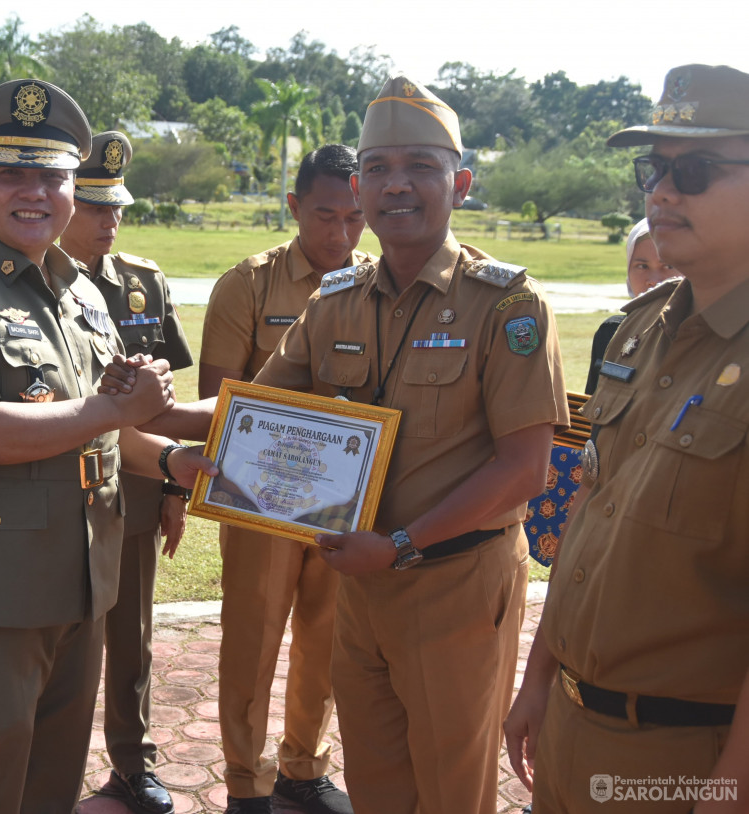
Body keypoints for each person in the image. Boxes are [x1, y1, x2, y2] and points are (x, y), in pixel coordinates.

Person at [124, 77, 569, 814]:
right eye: (379, 169)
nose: (397, 185)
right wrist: (155, 410)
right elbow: (251, 410)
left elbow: (523, 469)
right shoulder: (337, 300)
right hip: (363, 588)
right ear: (358, 187)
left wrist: (399, 544)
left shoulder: (510, 308)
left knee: (452, 790)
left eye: (420, 167)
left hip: (453, 583)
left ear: (459, 183)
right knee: (377, 785)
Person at [0, 79, 216, 814]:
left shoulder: (82, 294)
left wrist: (177, 455)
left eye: (53, 176)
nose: (34, 192)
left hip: (82, 579)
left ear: (73, 187)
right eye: (12, 173)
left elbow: (106, 426)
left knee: (52, 781)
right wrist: (110, 406)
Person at [505, 63, 749, 814]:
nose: (663, 192)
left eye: (696, 169)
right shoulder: (641, 327)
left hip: (686, 759)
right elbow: (589, 515)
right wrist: (539, 677)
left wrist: (731, 791)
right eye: (655, 168)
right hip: (575, 729)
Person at [198, 144, 371, 814]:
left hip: (343, 504)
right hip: (260, 502)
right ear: (295, 206)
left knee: (327, 640)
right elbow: (219, 398)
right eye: (325, 215)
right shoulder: (248, 284)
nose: (341, 233)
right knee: (252, 638)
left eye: (355, 218)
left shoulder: (379, 287)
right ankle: (246, 779)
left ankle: (305, 765)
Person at [60, 131, 195, 814]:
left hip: (134, 485)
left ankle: (131, 763)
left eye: (116, 208)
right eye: (93, 207)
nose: (109, 221)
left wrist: (173, 486)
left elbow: (168, 407)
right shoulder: (29, 286)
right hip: (54, 495)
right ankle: (42, 765)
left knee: (131, 638)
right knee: (53, 641)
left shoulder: (143, 284)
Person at [583, 218, 677, 394]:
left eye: (669, 266)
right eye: (642, 266)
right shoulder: (611, 332)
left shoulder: (709, 339)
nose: (654, 281)